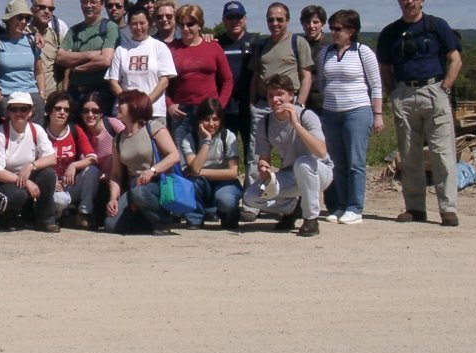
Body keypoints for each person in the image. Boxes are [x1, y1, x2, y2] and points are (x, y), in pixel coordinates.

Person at [377, 0, 462, 227]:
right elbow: (385, 66)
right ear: (398, 0)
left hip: (434, 91)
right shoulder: (390, 33)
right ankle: (414, 208)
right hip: (404, 93)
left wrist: (445, 87)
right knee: (409, 154)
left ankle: (448, 209)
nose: (409, 1)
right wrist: (393, 92)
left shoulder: (437, 26)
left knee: (442, 153)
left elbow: (455, 59)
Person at [243, 2, 313, 221]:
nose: (275, 23)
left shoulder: (297, 42)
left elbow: (306, 75)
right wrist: (253, 102)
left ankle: (288, 201)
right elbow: (256, 75)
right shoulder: (262, 44)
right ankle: (254, 205)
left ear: (287, 20)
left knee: (291, 154)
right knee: (256, 154)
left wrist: (299, 104)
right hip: (264, 105)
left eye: (279, 19)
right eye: (271, 19)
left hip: (289, 105)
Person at [242, 74, 333, 237]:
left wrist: (296, 124)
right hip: (290, 174)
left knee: (303, 164)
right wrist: (264, 167)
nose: (275, 100)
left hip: (319, 171)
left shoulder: (307, 116)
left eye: (280, 94)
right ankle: (291, 209)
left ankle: (311, 218)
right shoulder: (266, 122)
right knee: (250, 197)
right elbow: (264, 156)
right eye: (271, 95)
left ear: (291, 95)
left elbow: (321, 151)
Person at [319, 10, 383, 225]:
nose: (334, 33)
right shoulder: (325, 53)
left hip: (357, 111)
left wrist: (378, 114)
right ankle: (340, 205)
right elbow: (322, 82)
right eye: (332, 28)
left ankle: (355, 207)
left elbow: (376, 85)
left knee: (356, 162)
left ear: (351, 30)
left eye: (339, 29)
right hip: (330, 114)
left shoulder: (363, 52)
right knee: (337, 163)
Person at [104, 89, 181, 235]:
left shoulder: (153, 128)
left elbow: (174, 156)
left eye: (122, 103)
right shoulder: (118, 139)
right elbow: (115, 174)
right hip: (134, 184)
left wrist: (152, 170)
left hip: (157, 182)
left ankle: (163, 222)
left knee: (140, 193)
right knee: (111, 225)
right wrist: (113, 198)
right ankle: (145, 219)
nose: (117, 106)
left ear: (135, 105)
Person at [0, 92, 60, 232]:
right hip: (2, 181)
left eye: (23, 109)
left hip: (23, 177)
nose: (19, 113)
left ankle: (45, 220)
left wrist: (31, 166)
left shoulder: (37, 130)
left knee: (48, 174)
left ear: (30, 112)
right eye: (14, 109)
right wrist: (25, 181)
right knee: (19, 194)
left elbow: (52, 158)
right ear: (8, 112)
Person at [166, 4, 233, 139]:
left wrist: (219, 105)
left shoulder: (213, 46)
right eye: (182, 24)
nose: (185, 29)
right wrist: (170, 105)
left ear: (199, 25)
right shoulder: (171, 49)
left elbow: (227, 79)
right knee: (183, 155)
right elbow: (162, 82)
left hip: (209, 110)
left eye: (190, 24)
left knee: (210, 155)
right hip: (182, 111)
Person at [106, 4, 177, 125]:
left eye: (142, 23)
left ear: (148, 23)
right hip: (126, 113)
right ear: (129, 26)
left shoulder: (160, 47)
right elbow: (113, 82)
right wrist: (130, 103)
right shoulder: (121, 50)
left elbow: (164, 81)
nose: (138, 27)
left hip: (154, 112)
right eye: (134, 24)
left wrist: (145, 103)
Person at [56, 0, 120, 115]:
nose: (88, 5)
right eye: (85, 2)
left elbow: (105, 60)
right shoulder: (74, 30)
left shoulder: (109, 27)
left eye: (93, 2)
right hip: (75, 93)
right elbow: (61, 57)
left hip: (100, 93)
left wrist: (76, 67)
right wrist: (92, 54)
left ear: (101, 4)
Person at [180, 98, 242, 229]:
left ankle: (228, 216)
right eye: (206, 119)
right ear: (199, 120)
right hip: (202, 184)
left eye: (215, 119)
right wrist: (206, 141)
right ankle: (195, 218)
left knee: (226, 200)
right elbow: (195, 167)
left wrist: (200, 172)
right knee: (193, 183)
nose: (211, 124)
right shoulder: (190, 139)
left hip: (225, 182)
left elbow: (232, 173)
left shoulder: (228, 136)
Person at [43, 91, 99, 228]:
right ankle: (56, 216)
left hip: (69, 183)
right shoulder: (40, 131)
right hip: (48, 185)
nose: (62, 112)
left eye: (66, 110)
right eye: (58, 108)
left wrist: (74, 165)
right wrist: (51, 180)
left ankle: (83, 213)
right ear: (49, 110)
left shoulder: (75, 129)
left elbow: (93, 158)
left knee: (93, 171)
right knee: (60, 200)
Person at [217, 1, 261, 163]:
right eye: (230, 17)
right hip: (225, 107)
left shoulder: (256, 42)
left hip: (249, 106)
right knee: (226, 151)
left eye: (238, 17)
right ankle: (229, 185)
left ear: (245, 19)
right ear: (224, 20)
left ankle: (253, 187)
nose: (235, 21)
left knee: (253, 152)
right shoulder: (216, 43)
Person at [0, 0, 45, 122]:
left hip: (31, 96)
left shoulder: (32, 41)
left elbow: (39, 71)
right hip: (7, 96)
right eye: (19, 17)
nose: (23, 22)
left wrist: (41, 95)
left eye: (27, 18)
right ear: (9, 19)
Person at [30, 0, 63, 99]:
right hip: (27, 97)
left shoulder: (56, 36)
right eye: (42, 7)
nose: (47, 12)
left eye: (51, 9)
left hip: (50, 98)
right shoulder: (22, 34)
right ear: (32, 9)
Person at [300, 5, 329, 116]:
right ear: (302, 25)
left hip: (324, 103)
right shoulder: (297, 45)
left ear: (322, 24)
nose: (311, 26)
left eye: (315, 22)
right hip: (302, 102)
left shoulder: (331, 47)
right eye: (307, 22)